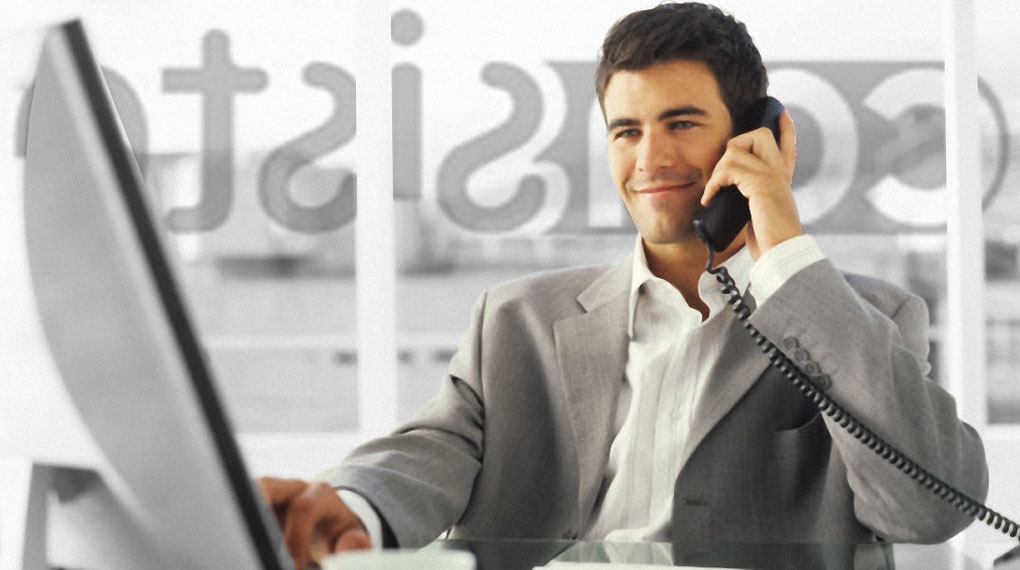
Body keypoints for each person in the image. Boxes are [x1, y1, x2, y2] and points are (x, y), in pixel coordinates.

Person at [258, 3, 989, 567]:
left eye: (681, 123)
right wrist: (349, 506)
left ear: (758, 139)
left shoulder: (860, 317)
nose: (650, 157)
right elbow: (430, 451)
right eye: (626, 130)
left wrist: (786, 253)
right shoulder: (518, 321)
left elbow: (928, 510)